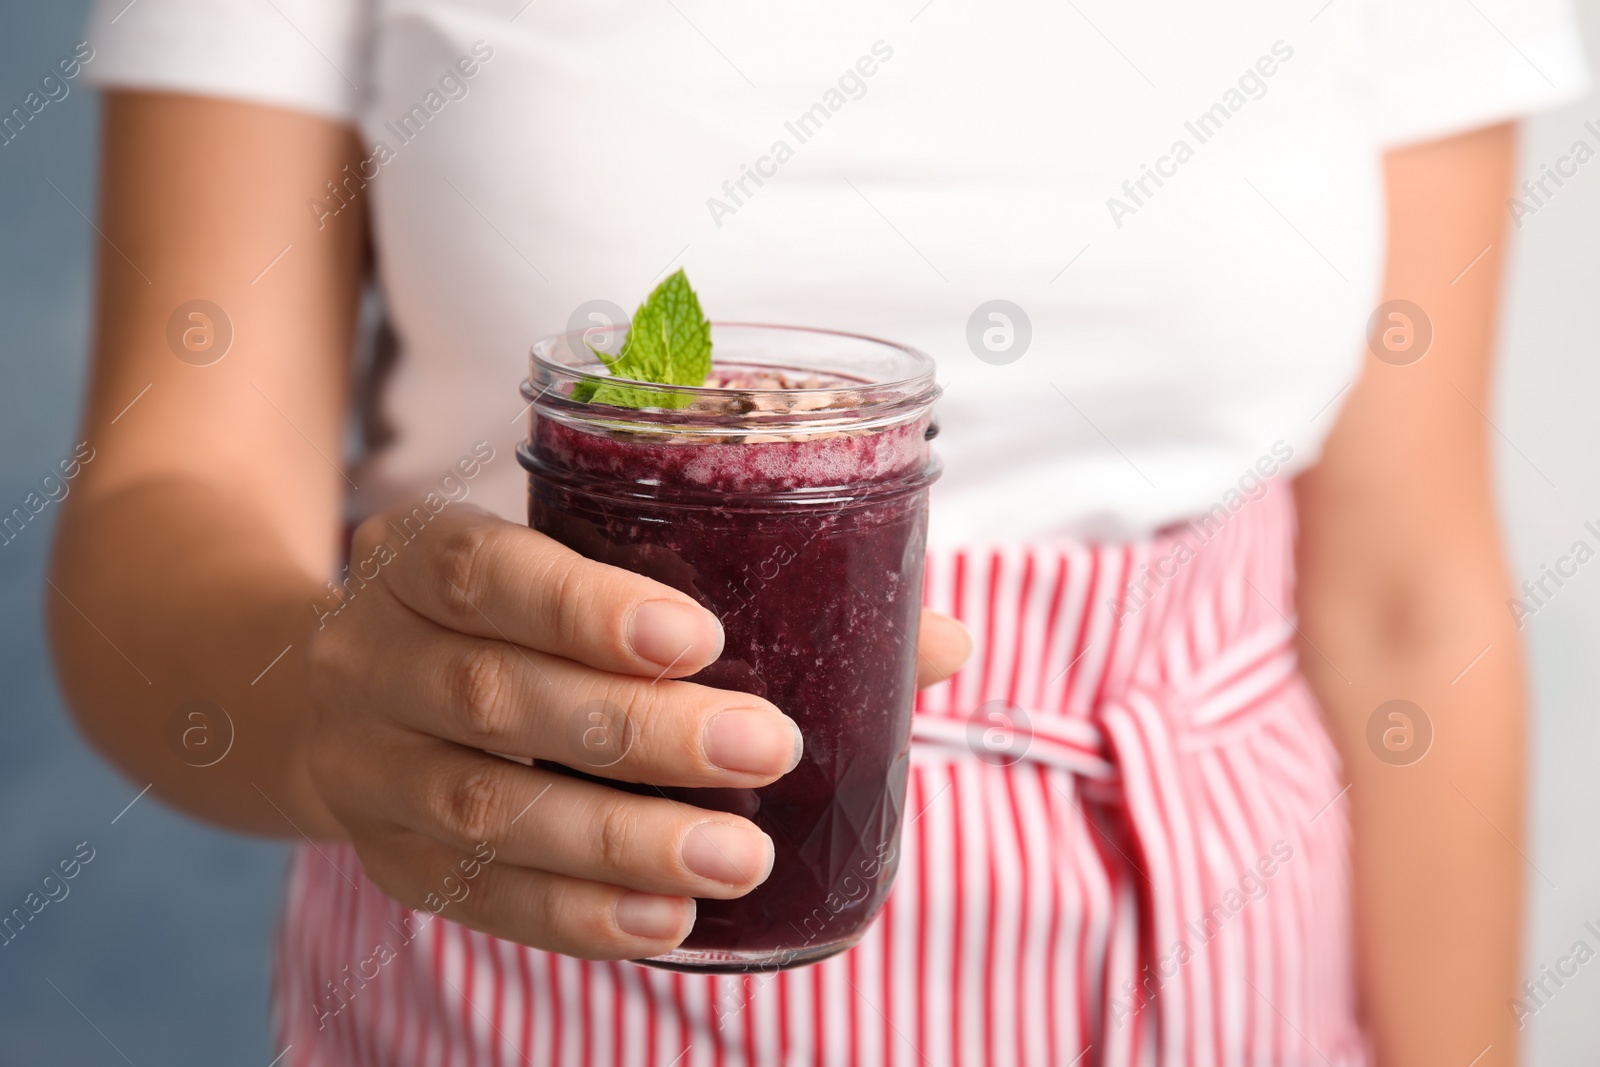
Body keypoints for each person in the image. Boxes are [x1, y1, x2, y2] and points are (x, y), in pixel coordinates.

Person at [49, 0, 1587, 1064]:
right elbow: (162, 506)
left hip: (1217, 956)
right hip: (539, 953)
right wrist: (337, 719)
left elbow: (1408, 600)